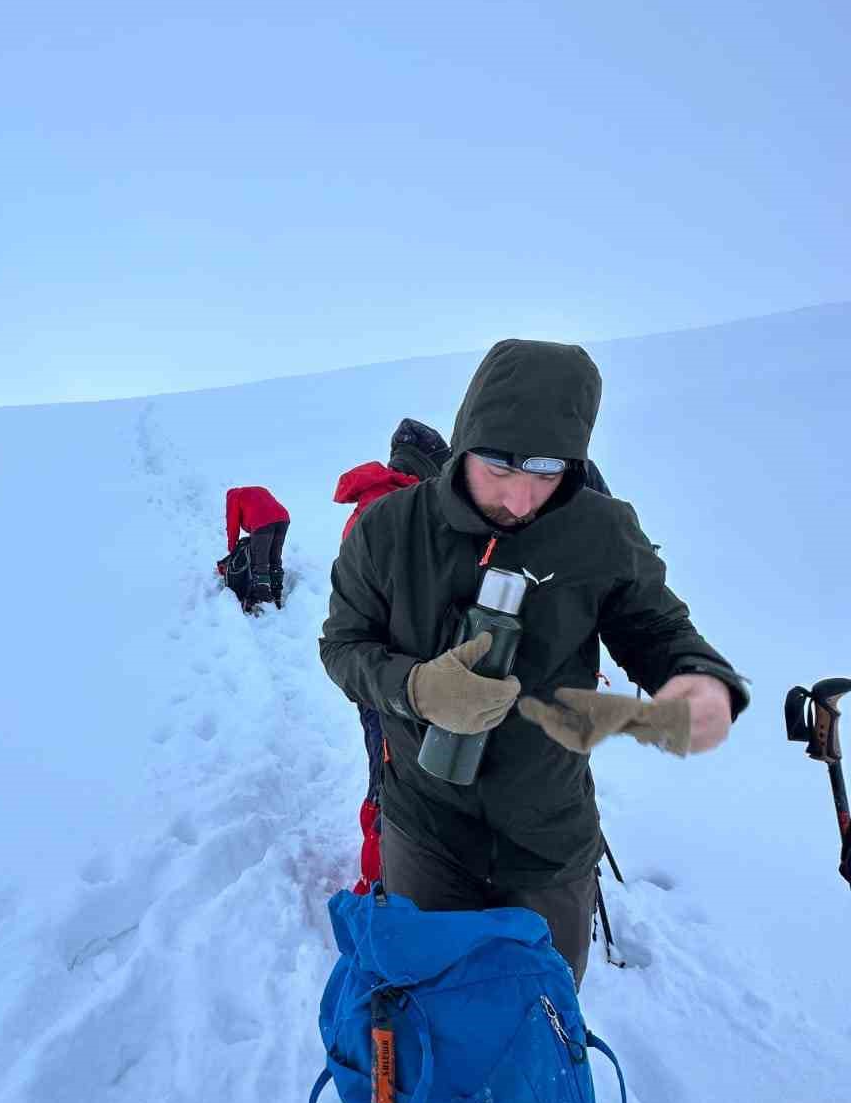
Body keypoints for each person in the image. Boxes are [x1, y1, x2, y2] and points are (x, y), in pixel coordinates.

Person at [319, 340, 748, 985]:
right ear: (465, 441)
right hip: (426, 829)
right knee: (427, 1009)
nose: (521, 501)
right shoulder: (389, 530)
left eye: (547, 474)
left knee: (542, 1019)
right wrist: (414, 688)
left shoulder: (599, 530)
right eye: (500, 468)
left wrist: (694, 677)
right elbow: (343, 646)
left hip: (549, 840)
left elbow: (654, 624)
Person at [332, 419, 450, 893]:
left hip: (386, 675)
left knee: (390, 774)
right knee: (394, 781)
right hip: (398, 680)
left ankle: (391, 880)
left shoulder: (371, 505)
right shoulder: (395, 510)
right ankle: (381, 888)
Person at [225, 486, 290, 611]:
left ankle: (263, 601)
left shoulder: (233, 497)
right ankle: (277, 595)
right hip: (283, 518)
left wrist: (232, 551)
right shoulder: (258, 490)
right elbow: (265, 507)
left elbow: (232, 526)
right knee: (274, 559)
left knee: (260, 563)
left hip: (262, 521)